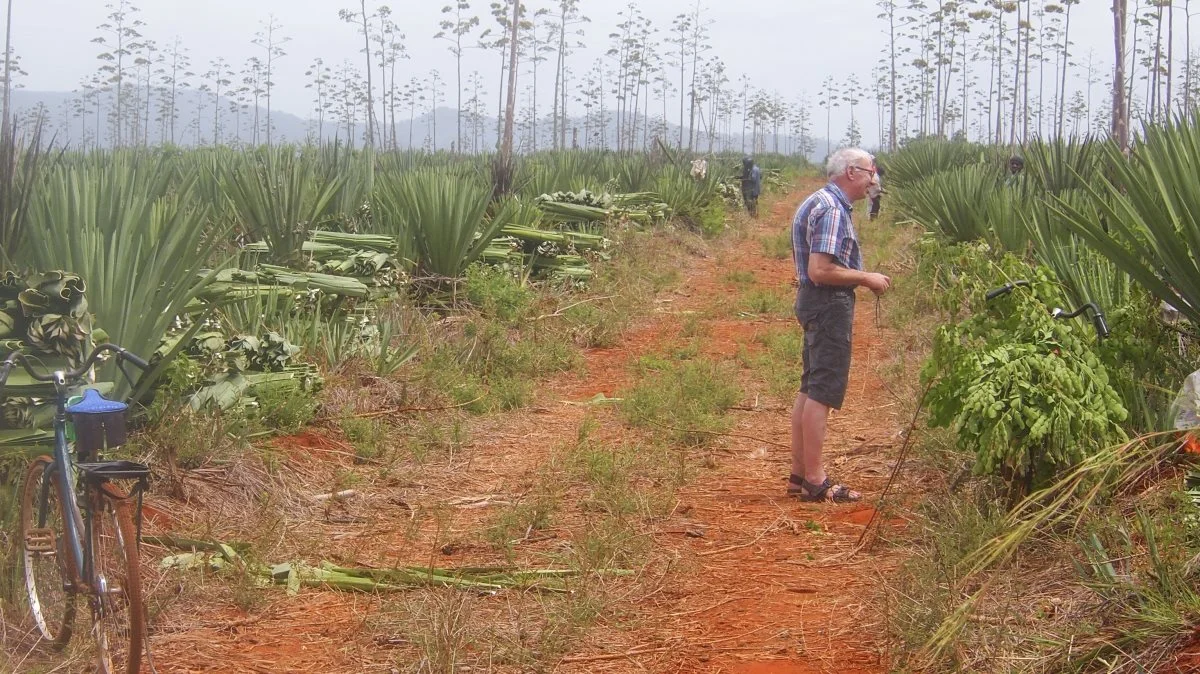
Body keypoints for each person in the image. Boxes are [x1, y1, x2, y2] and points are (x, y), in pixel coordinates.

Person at [788, 147, 892, 502]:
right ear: (851, 172)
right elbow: (821, 270)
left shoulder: (819, 201)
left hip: (815, 302)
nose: (872, 180)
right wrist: (866, 277)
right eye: (870, 171)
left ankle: (800, 474)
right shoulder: (832, 210)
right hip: (828, 303)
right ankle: (815, 481)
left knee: (811, 384)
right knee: (822, 390)